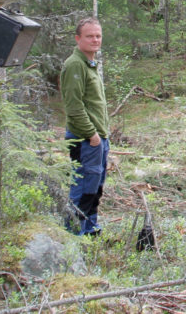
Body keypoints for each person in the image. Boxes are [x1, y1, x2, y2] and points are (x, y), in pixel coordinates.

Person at [60, 17, 110, 236]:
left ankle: (90, 230)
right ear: (78, 38)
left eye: (98, 36)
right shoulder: (74, 65)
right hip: (85, 139)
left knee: (95, 187)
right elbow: (74, 107)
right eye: (89, 36)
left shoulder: (89, 63)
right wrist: (92, 135)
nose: (95, 40)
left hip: (97, 138)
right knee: (83, 189)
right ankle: (73, 235)